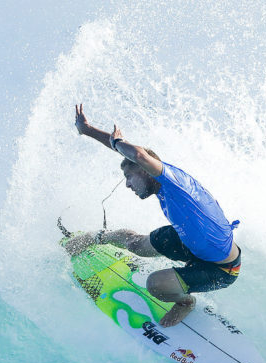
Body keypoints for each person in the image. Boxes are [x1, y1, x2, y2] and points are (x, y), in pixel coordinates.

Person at [68, 104, 241, 328]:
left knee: (156, 284)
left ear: (144, 170)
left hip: (220, 267)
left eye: (129, 177)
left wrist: (102, 135)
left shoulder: (176, 184)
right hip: (188, 239)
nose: (128, 185)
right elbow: (136, 157)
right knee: (137, 244)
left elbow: (139, 155)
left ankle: (185, 301)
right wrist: (98, 135)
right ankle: (96, 238)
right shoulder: (163, 185)